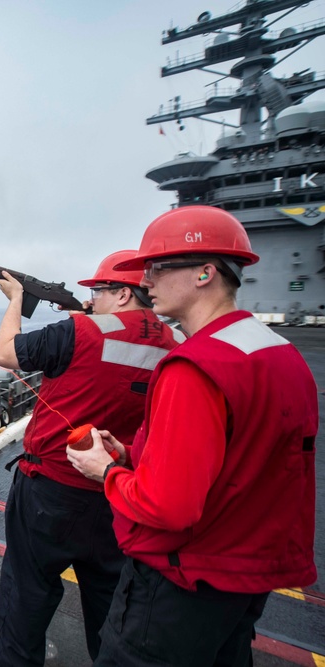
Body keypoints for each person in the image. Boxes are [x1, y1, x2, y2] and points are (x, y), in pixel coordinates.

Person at [67, 206, 318, 666]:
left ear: (206, 272)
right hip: (244, 578)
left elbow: (169, 506)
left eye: (159, 267)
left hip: (180, 584)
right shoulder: (281, 355)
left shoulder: (194, 367)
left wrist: (107, 470)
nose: (146, 281)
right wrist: (136, 455)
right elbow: (252, 458)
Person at [0, 251, 183, 667]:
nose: (92, 300)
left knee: (28, 588)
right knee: (108, 599)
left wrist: (15, 298)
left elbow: (7, 354)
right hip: (117, 490)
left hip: (49, 490)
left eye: (99, 291)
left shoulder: (80, 331)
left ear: (122, 294)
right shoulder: (177, 346)